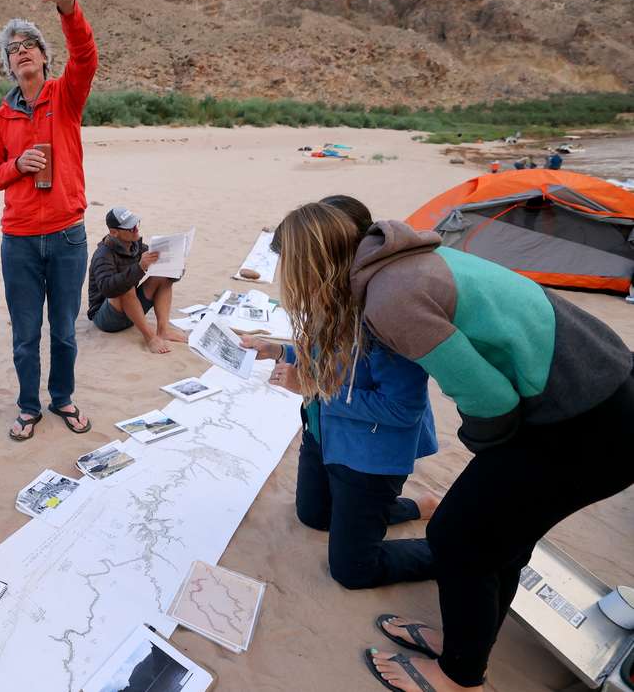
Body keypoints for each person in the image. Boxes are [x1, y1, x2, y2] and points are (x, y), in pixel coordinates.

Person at [271, 201, 634, 692]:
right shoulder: (390, 260)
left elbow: (488, 397)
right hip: (588, 380)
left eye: (289, 269)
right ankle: (464, 644)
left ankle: (460, 677)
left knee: (461, 538)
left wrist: (491, 456)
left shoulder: (390, 296)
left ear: (313, 263)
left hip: (587, 414)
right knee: (495, 538)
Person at [243, 195, 439, 592]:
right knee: (314, 516)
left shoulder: (382, 316)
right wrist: (278, 350)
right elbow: (326, 359)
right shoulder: (328, 298)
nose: (284, 276)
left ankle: (462, 549)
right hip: (323, 434)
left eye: (290, 267)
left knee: (352, 570)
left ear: (318, 265)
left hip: (369, 455)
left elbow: (404, 409)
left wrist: (313, 387)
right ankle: (408, 508)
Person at [0, 0, 98, 441]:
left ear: (45, 57)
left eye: (30, 44)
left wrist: (68, 8)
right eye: (14, 48)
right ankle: (29, 406)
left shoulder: (65, 96)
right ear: (9, 66)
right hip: (21, 241)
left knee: (66, 333)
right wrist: (16, 166)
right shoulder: (3, 115)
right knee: (26, 336)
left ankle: (63, 399)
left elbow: (87, 56)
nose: (23, 50)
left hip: (68, 237)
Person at [86, 206, 187, 354]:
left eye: (135, 224)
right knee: (126, 287)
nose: (135, 229)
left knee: (163, 274)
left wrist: (177, 268)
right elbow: (108, 289)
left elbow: (167, 272)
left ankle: (163, 329)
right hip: (106, 318)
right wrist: (140, 267)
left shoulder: (136, 245)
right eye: (130, 228)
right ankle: (150, 338)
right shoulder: (103, 255)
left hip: (131, 311)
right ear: (114, 232)